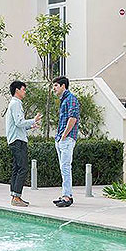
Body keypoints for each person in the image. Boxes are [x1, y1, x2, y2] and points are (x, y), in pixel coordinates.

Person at [5, 81, 40, 207]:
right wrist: (33, 120)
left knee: (17, 168)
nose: (25, 92)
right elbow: (19, 122)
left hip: (15, 139)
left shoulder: (14, 103)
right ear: (17, 90)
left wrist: (31, 125)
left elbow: (18, 125)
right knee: (23, 168)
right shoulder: (16, 104)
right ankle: (16, 197)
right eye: (23, 89)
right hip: (18, 141)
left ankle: (15, 195)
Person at [51, 77, 80, 208]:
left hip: (66, 139)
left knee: (66, 168)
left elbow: (73, 118)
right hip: (61, 139)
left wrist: (64, 136)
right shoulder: (64, 100)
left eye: (56, 85)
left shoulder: (71, 99)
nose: (54, 88)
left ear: (63, 86)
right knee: (64, 169)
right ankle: (66, 194)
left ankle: (67, 197)